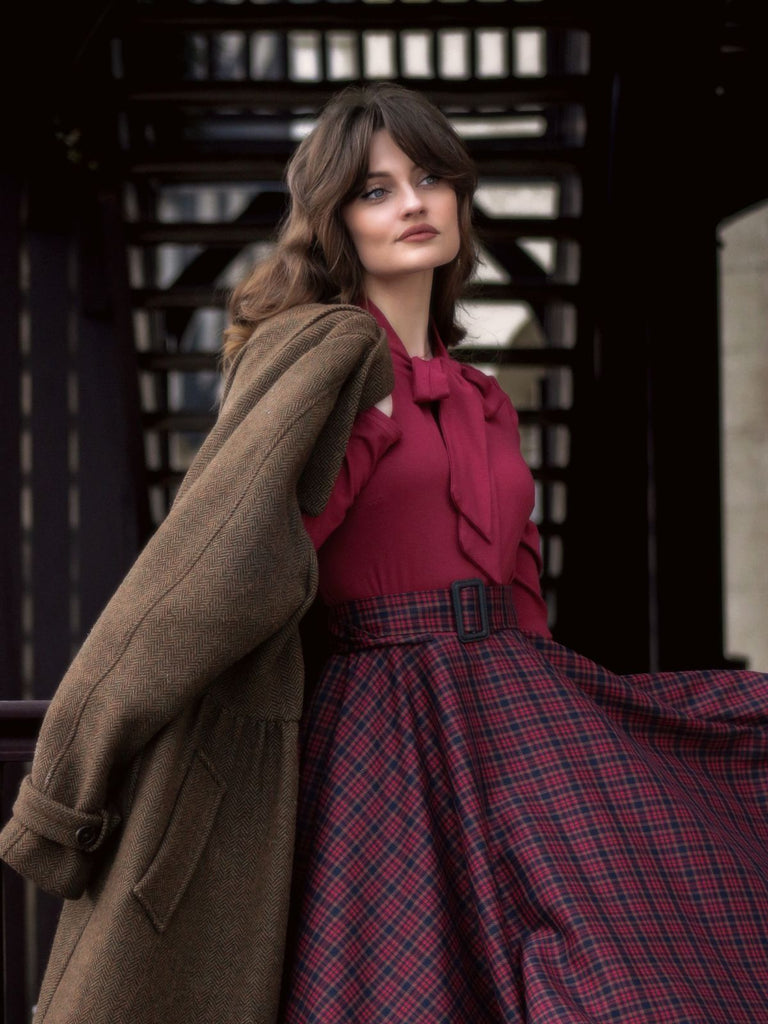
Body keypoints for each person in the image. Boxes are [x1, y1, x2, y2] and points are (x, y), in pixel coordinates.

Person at [2, 81, 768, 1024]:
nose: (413, 202)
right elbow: (211, 570)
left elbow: (520, 590)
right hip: (380, 733)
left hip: (513, 712)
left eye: (431, 177)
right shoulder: (319, 357)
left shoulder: (486, 398)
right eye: (375, 189)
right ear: (335, 221)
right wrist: (71, 777)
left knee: (622, 976)